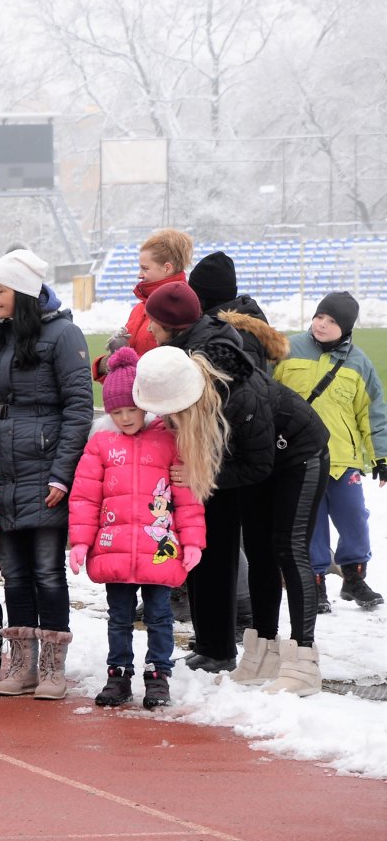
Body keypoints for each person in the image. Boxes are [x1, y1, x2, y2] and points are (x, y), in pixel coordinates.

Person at [0, 250, 93, 698]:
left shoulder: (63, 334)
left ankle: (54, 669)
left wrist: (61, 474)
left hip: (44, 470)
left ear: (22, 291)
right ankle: (21, 667)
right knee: (13, 574)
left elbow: (78, 410)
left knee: (48, 572)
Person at [70, 347, 215, 710]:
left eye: (130, 409)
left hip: (159, 548)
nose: (124, 418)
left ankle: (157, 675)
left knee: (159, 615)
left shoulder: (168, 440)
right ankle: (118, 674)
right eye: (115, 412)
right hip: (115, 549)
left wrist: (193, 540)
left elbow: (187, 496)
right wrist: (79, 543)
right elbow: (85, 498)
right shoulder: (101, 445)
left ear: (145, 405)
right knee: (118, 616)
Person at [142, 280, 275, 671]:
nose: (149, 330)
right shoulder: (194, 344)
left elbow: (221, 424)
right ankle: (209, 642)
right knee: (200, 553)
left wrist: (206, 473)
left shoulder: (206, 357)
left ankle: (220, 648)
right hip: (211, 460)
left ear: (172, 324)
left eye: (154, 322)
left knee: (215, 551)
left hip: (227, 462)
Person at [274, 291, 384, 611]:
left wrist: (382, 455)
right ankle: (315, 585)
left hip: (343, 460)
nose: (322, 324)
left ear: (346, 327)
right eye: (319, 316)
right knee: (312, 524)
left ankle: (354, 578)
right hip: (298, 458)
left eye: (332, 320)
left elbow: (373, 412)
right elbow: (263, 394)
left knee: (354, 519)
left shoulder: (359, 363)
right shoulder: (286, 349)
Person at [97, 228, 193, 377]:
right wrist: (111, 357)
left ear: (167, 268)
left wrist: (119, 361)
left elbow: (172, 366)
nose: (139, 275)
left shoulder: (181, 307)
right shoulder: (139, 308)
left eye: (145, 268)